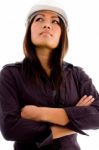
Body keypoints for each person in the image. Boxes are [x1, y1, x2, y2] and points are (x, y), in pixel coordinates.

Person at [0, 0, 99, 149]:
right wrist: (75, 117)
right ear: (29, 30)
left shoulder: (77, 75)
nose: (47, 25)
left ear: (62, 34)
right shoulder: (10, 74)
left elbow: (97, 116)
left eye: (55, 21)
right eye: (39, 19)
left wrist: (41, 113)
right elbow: (11, 129)